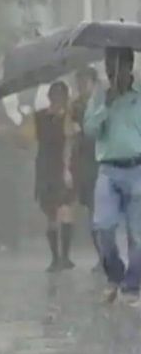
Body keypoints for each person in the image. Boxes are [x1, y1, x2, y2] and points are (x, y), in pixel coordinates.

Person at [84, 47, 141, 304]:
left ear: (129, 67)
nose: (112, 71)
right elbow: (89, 130)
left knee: (138, 234)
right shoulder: (99, 96)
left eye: (117, 65)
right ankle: (114, 274)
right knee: (103, 228)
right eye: (108, 65)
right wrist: (105, 105)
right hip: (108, 170)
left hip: (138, 169)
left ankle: (132, 284)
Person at [28, 81, 76, 271]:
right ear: (49, 97)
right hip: (45, 167)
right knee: (51, 213)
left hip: (62, 167)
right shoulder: (39, 117)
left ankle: (64, 256)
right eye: (54, 96)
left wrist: (67, 170)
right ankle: (55, 258)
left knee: (65, 210)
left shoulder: (69, 118)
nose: (57, 100)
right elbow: (28, 137)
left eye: (61, 97)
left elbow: (70, 143)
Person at [72, 68, 102, 271]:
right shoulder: (75, 107)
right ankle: (102, 256)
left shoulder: (104, 103)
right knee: (92, 211)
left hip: (104, 159)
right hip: (85, 163)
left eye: (85, 81)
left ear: (94, 82)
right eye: (79, 81)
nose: (81, 85)